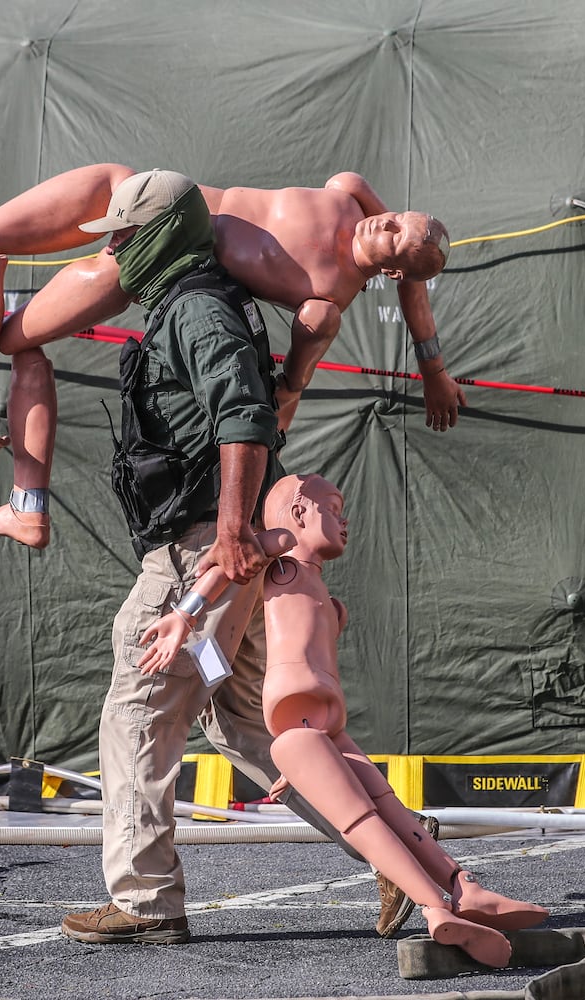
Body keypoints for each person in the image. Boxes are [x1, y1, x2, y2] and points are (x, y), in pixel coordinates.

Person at [55, 168, 366, 946]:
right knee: (258, 726)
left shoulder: (194, 309)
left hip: (203, 548)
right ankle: (401, 849)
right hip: (223, 546)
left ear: (158, 237)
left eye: (124, 238)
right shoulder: (203, 303)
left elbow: (244, 413)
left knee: (139, 710)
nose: (116, 254)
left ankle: (145, 902)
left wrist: (227, 533)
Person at [0, 163, 465, 550]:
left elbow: (293, 382)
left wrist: (430, 371)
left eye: (396, 238)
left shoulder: (326, 300)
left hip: (157, 250)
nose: (386, 223)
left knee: (13, 329)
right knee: (11, 232)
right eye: (398, 217)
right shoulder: (351, 194)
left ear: (392, 271)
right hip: (163, 204)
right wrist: (433, 371)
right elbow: (410, 281)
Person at [136, 474, 549, 964]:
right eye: (332, 507)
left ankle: (465, 885)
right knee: (363, 820)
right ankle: (436, 908)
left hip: (327, 727)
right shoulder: (283, 556)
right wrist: (184, 615)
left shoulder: (318, 591)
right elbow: (226, 562)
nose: (343, 519)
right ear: (298, 512)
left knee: (392, 811)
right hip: (297, 731)